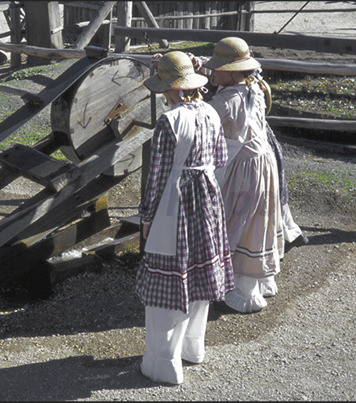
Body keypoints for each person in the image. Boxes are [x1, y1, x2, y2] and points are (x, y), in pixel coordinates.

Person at [136, 51, 234, 385]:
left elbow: (157, 176)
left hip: (173, 203)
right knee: (198, 276)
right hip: (207, 198)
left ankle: (163, 363)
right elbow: (219, 158)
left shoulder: (169, 121)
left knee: (167, 283)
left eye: (163, 88)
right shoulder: (210, 111)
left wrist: (146, 217)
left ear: (174, 89)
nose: (161, 94)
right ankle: (193, 348)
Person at [190, 37, 285, 313]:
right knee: (258, 219)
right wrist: (201, 67)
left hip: (244, 169)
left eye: (217, 68)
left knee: (238, 219)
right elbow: (220, 77)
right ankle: (259, 280)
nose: (212, 72)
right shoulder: (253, 85)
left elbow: (202, 125)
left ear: (231, 72)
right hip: (263, 162)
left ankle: (243, 291)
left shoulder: (226, 101)